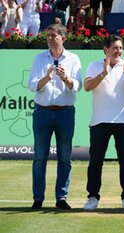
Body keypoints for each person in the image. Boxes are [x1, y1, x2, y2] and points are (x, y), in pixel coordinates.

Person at [28, 23, 82, 209]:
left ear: (63, 38)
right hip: (42, 112)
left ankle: (61, 198)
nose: (50, 38)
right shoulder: (39, 58)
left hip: (65, 112)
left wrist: (66, 78)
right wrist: (48, 76)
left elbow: (77, 86)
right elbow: (32, 85)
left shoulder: (73, 59)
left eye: (54, 35)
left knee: (64, 158)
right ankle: (38, 198)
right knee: (39, 158)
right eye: (48, 35)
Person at [83, 35, 124, 211]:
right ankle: (92, 197)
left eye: (121, 48)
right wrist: (103, 73)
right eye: (115, 47)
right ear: (105, 49)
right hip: (99, 121)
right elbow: (87, 86)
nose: (119, 51)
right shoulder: (94, 65)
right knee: (95, 162)